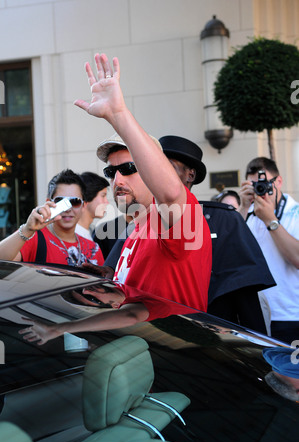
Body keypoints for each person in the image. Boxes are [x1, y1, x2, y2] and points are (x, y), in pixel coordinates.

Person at [18, 53, 212, 345]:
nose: (117, 180)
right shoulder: (136, 227)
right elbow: (139, 307)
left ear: (151, 168)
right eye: (111, 171)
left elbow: (171, 193)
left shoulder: (179, 219)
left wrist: (117, 113)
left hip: (178, 365)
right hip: (141, 358)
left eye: (129, 168)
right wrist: (111, 280)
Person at [158, 135, 276, 335]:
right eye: (153, 165)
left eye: (167, 165)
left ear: (190, 175)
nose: (157, 172)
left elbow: (246, 302)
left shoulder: (225, 221)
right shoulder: (141, 223)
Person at [239, 157, 299, 344]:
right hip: (256, 316)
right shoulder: (250, 214)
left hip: (291, 316)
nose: (261, 190)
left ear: (278, 182)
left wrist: (270, 220)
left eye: (264, 184)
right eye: (255, 185)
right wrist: (243, 207)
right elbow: (233, 252)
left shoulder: (295, 213)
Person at [0, 169, 104, 267]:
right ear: (49, 203)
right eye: (60, 201)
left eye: (74, 201)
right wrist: (27, 229)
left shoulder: (94, 248)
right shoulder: (33, 237)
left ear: (84, 205)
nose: (68, 209)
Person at [76, 171, 109, 241]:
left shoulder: (88, 233)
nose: (107, 202)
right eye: (103, 196)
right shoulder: (75, 236)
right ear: (88, 196)